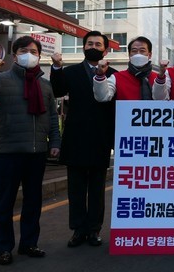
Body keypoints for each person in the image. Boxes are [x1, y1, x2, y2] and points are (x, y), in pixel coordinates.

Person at [0, 36, 60, 265]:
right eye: (23, 51)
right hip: (9, 152)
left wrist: (55, 143)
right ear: (14, 55)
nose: (29, 55)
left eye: (34, 51)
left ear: (39, 56)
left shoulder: (45, 84)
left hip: (37, 152)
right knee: (5, 202)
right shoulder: (1, 79)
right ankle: (4, 248)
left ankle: (29, 243)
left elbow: (52, 116)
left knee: (33, 202)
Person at [50, 31, 117, 248]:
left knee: (97, 189)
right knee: (76, 189)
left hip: (100, 138)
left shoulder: (114, 74)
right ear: (83, 47)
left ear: (105, 50)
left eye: (98, 44)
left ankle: (94, 229)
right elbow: (58, 90)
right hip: (76, 138)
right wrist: (56, 67)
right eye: (90, 44)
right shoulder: (70, 72)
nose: (93, 47)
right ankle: (78, 229)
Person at [93, 36, 162, 101]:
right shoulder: (117, 77)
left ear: (149, 55)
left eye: (142, 51)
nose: (138, 54)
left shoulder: (159, 79)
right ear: (129, 55)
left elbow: (162, 99)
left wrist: (161, 79)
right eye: (134, 51)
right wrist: (100, 75)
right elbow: (102, 97)